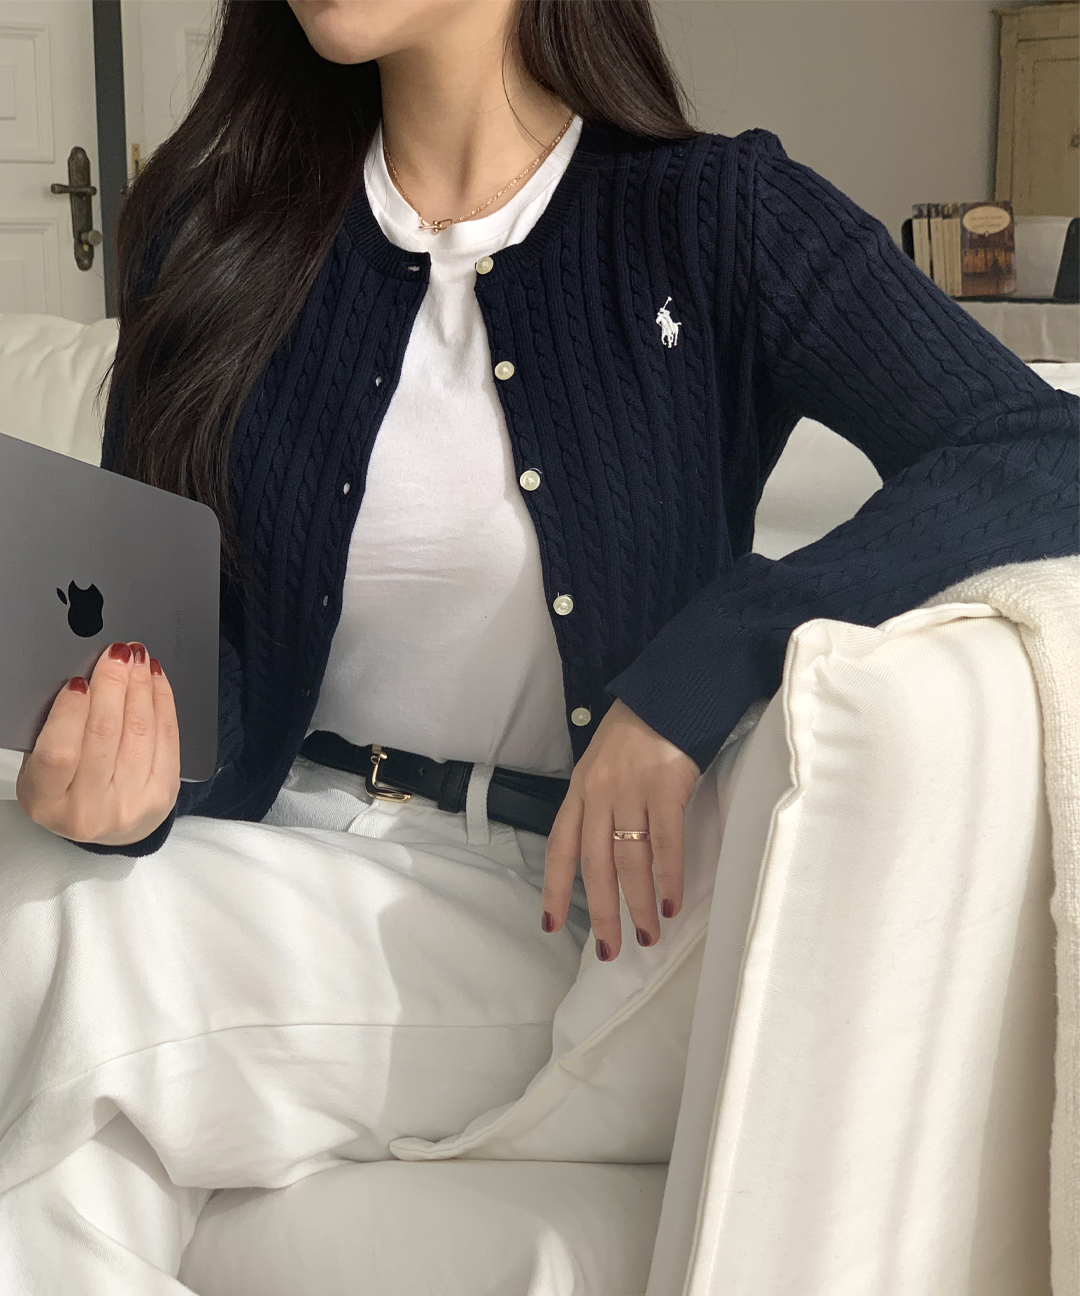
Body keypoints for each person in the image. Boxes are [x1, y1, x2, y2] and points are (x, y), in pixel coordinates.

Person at [1, 0, 1077, 1289]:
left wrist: (696, 672)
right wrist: (126, 778)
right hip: (272, 854)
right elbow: (203, 656)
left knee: (60, 944)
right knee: (54, 1100)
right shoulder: (214, 229)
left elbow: (1040, 449)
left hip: (558, 906)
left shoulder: (713, 219)